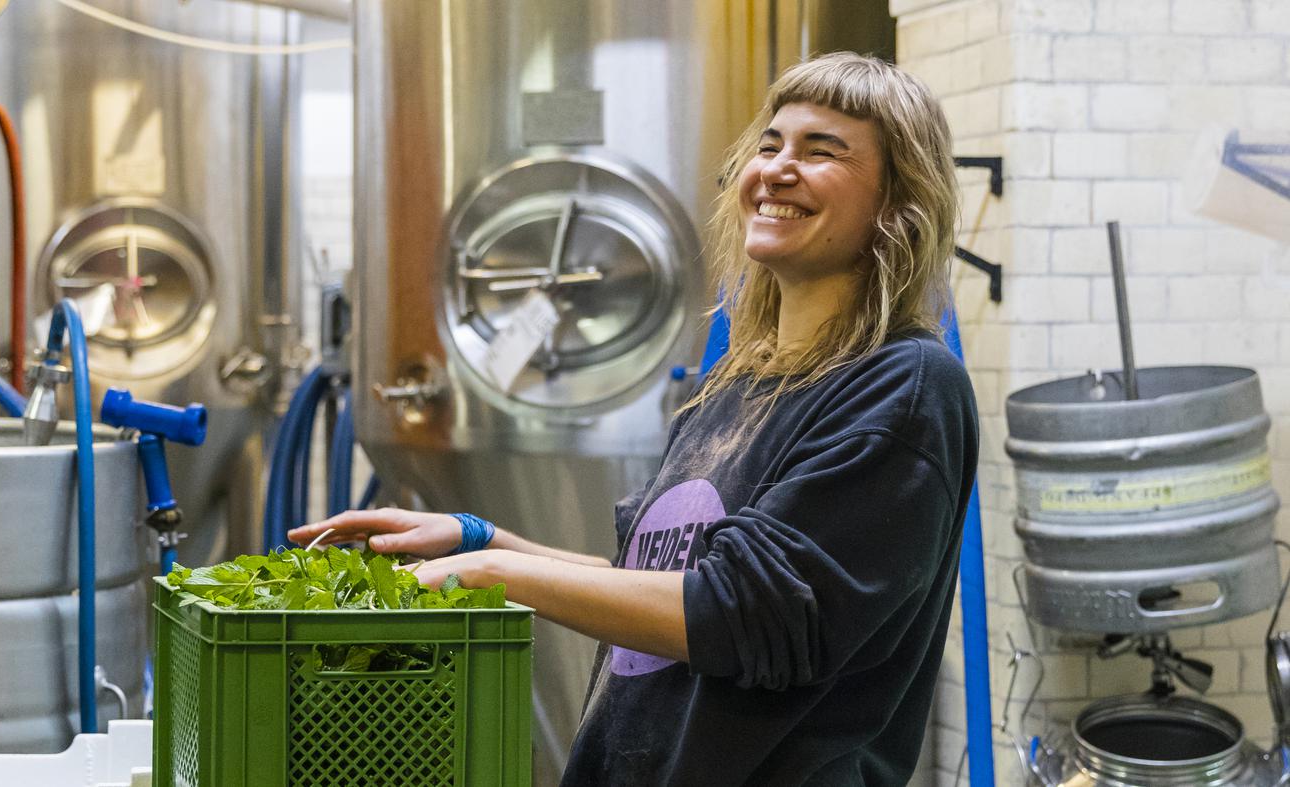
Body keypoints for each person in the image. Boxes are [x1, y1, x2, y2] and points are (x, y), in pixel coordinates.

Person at [290, 51, 978, 786]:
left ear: (895, 203)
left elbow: (736, 614)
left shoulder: (903, 387)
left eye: (822, 151)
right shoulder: (737, 385)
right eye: (770, 144)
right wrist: (477, 536)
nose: (777, 168)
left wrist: (490, 572)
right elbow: (657, 583)